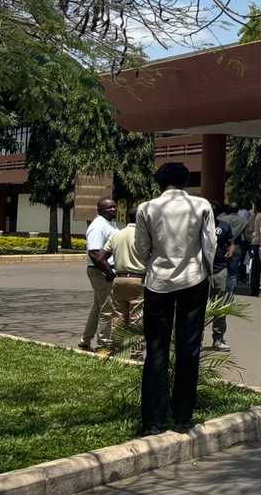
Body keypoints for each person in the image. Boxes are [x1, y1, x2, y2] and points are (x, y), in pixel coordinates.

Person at [133, 162, 217, 436]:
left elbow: (141, 249)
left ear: (159, 182)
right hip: (194, 280)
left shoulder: (147, 208)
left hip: (158, 282)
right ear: (186, 181)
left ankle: (153, 421)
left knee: (156, 348)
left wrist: (154, 262)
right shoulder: (201, 205)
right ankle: (183, 417)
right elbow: (209, 245)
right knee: (189, 348)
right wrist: (209, 274)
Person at [80, 196, 119, 352]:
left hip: (104, 270)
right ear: (99, 210)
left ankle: (85, 341)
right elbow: (95, 253)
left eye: (114, 206)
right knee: (107, 309)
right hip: (100, 271)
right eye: (109, 208)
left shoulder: (109, 224)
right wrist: (109, 273)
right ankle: (104, 345)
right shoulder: (97, 226)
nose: (113, 209)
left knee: (98, 307)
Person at [104, 219, 146, 349]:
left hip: (119, 279)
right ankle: (136, 354)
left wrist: (110, 273)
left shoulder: (117, 235)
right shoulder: (144, 235)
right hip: (138, 280)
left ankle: (116, 350)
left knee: (118, 318)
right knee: (137, 319)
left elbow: (100, 257)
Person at [209, 211, 236, 352]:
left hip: (220, 269)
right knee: (199, 306)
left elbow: (231, 243)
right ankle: (197, 340)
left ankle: (218, 339)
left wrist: (231, 250)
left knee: (220, 305)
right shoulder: (198, 225)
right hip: (201, 271)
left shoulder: (224, 226)